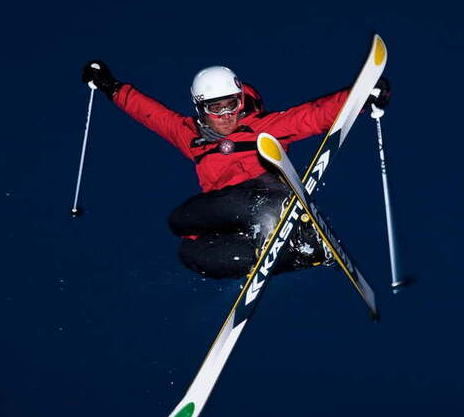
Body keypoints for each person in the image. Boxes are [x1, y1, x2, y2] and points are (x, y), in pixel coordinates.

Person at [80, 60, 391, 279]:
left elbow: (312, 115)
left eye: (232, 103)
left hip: (263, 193)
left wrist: (361, 96)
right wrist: (111, 86)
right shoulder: (192, 138)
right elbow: (152, 115)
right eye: (217, 108)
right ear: (201, 108)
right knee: (189, 248)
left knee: (185, 218)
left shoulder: (261, 127)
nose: (227, 114)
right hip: (228, 217)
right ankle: (302, 250)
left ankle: (270, 211)